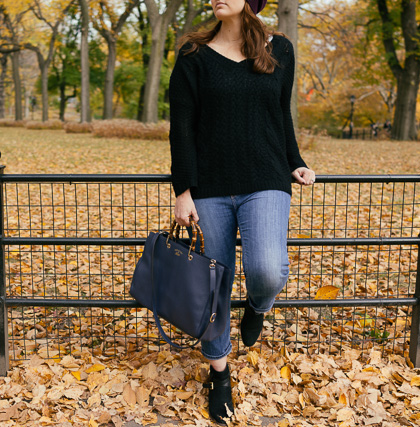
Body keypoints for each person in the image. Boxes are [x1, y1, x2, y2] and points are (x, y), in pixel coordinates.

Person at [168, 0, 315, 424]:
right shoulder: (194, 55)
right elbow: (182, 127)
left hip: (266, 178)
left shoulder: (278, 49)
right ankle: (219, 373)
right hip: (209, 188)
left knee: (267, 270)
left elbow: (280, 113)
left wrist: (295, 160)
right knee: (214, 285)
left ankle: (257, 307)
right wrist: (183, 191)